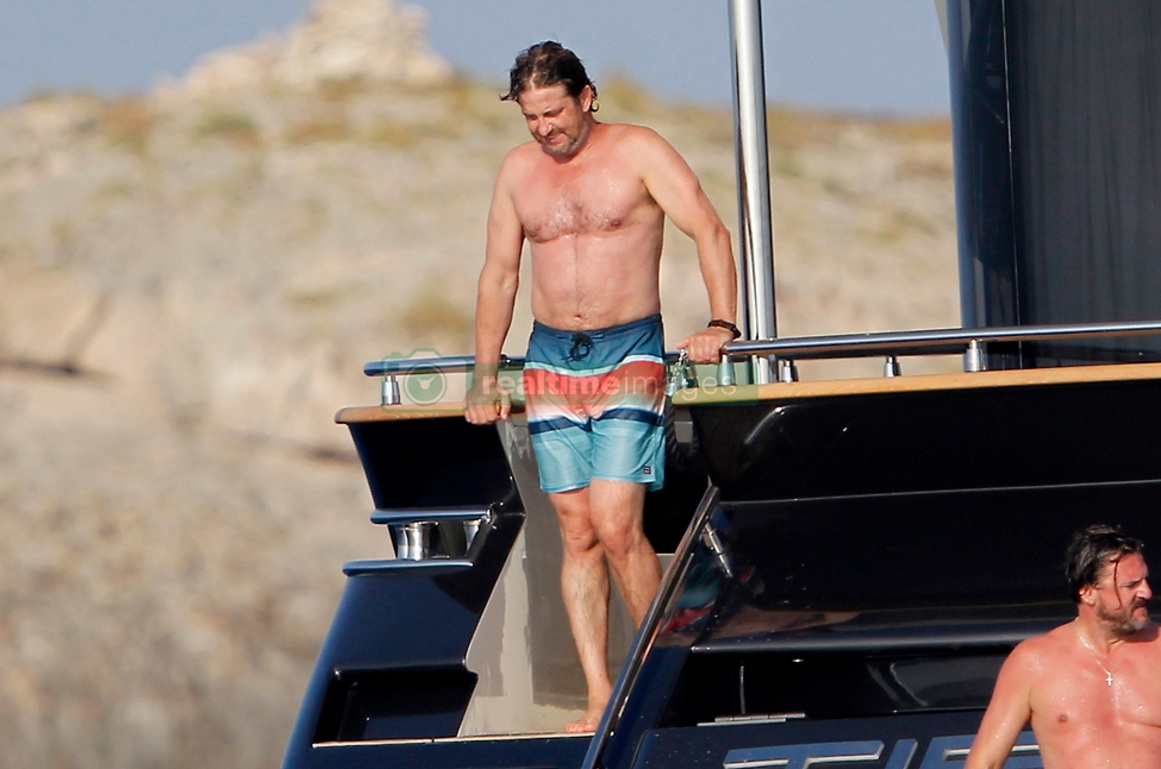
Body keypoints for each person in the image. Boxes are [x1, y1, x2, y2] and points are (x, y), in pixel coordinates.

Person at [463, 41, 738, 733]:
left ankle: (658, 681)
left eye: (552, 113)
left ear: (585, 97)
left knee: (618, 524)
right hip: (550, 357)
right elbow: (500, 273)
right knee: (577, 531)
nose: (542, 129)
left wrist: (720, 323)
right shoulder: (518, 170)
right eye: (530, 117)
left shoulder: (638, 149)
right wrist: (485, 373)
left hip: (629, 351)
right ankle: (599, 695)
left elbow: (708, 229)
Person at [965, 524, 1161, 769]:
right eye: (1131, 585)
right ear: (1088, 592)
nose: (1146, 592)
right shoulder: (1034, 661)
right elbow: (986, 761)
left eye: (1145, 580)